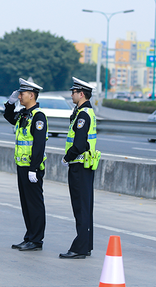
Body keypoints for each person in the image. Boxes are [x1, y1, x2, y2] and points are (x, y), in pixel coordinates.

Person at [3, 78, 47, 252]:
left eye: (22, 94)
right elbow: (9, 117)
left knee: (35, 204)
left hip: (32, 168)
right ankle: (29, 236)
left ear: (31, 95)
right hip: (22, 166)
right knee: (26, 203)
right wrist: (10, 102)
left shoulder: (38, 116)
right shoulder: (23, 114)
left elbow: (38, 145)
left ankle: (36, 240)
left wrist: (34, 168)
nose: (20, 96)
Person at [60, 77, 97, 259]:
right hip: (85, 165)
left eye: (73, 92)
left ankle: (80, 248)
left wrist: (67, 157)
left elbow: (80, 144)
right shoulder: (85, 112)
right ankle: (86, 244)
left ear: (81, 94)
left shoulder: (83, 115)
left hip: (80, 165)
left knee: (80, 207)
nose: (71, 94)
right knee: (85, 206)